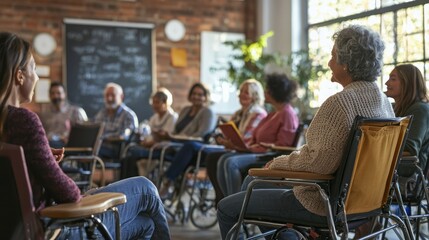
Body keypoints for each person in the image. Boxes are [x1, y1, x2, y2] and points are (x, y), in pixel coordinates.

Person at [216, 25, 395, 239]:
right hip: (367, 202)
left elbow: (318, 164)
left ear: (346, 64)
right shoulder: (385, 104)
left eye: (333, 57)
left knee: (227, 208)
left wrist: (278, 163)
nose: (329, 63)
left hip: (324, 203)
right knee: (251, 182)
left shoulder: (339, 104)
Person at [0, 32, 170, 239]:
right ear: (19, 76)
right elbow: (68, 194)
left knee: (146, 224)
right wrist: (82, 192)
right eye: (34, 69)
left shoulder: (8, 123)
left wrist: (40, 157)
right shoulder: (24, 120)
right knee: (145, 188)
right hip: (55, 230)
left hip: (15, 229)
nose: (36, 77)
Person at [160, 79, 268, 200]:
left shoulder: (257, 114)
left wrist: (228, 142)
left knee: (200, 151)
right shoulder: (238, 113)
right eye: (241, 91)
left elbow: (245, 141)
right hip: (224, 147)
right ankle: (221, 198)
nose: (241, 94)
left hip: (238, 149)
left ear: (255, 96)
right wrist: (221, 138)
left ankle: (230, 200)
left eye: (246, 92)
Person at [211, 73, 299, 200]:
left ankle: (237, 202)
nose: (264, 92)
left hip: (268, 155)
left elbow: (282, 146)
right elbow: (255, 137)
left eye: (267, 90)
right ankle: (228, 200)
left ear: (275, 92)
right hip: (257, 151)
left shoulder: (287, 114)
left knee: (231, 162)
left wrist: (253, 147)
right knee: (223, 159)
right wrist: (243, 146)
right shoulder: (273, 114)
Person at [158, 82, 217, 197]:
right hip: (178, 143)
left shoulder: (208, 112)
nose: (196, 97)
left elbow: (201, 134)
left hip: (198, 148)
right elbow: (176, 131)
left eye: (200, 95)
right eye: (194, 94)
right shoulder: (185, 110)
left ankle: (167, 181)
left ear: (206, 97)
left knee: (187, 146)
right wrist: (169, 135)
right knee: (160, 145)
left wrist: (177, 138)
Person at [385, 64, 429, 201]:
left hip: (410, 177)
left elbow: (410, 149)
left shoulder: (420, 109)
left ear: (407, 82)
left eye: (393, 79)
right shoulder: (400, 110)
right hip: (399, 171)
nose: (387, 83)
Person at [122, 87, 178, 178]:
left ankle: (136, 183)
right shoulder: (154, 118)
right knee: (127, 156)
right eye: (153, 102)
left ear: (165, 103)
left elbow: (167, 136)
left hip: (162, 149)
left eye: (157, 102)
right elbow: (149, 135)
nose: (154, 105)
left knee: (133, 154)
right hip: (150, 147)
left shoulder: (172, 118)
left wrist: (152, 141)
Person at [95, 82, 139, 159]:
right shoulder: (102, 113)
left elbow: (124, 136)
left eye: (113, 95)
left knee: (92, 151)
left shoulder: (128, 115)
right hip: (100, 146)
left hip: (116, 151)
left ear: (121, 97)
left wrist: (104, 138)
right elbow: (94, 129)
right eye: (107, 95)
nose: (109, 98)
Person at [39, 82, 88, 148]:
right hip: (49, 144)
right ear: (49, 95)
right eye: (52, 93)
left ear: (64, 94)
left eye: (58, 93)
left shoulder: (76, 112)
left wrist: (68, 137)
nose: (55, 96)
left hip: (68, 145)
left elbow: (84, 133)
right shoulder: (44, 115)